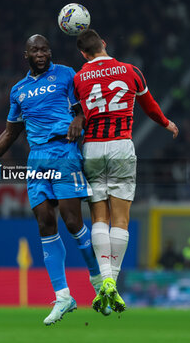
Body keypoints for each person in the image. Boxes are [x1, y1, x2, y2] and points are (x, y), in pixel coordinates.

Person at [0, 34, 108, 325]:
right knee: (44, 222)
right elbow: (9, 134)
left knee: (72, 221)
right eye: (35, 50)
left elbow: (84, 105)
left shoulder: (67, 74)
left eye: (44, 49)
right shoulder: (18, 91)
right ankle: (64, 296)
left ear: (50, 52)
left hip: (65, 153)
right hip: (37, 160)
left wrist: (79, 119)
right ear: (26, 56)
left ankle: (100, 285)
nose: (40, 53)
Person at [74, 29, 179, 314]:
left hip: (93, 148)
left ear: (84, 54)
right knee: (120, 218)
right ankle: (112, 281)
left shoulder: (79, 77)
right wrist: (166, 123)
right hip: (121, 145)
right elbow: (150, 106)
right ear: (104, 44)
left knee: (99, 216)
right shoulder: (131, 71)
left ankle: (103, 279)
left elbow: (75, 114)